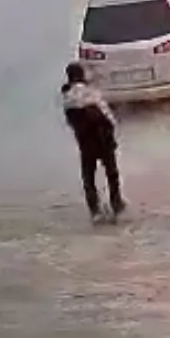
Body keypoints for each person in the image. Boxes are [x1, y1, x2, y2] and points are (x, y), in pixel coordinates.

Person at [61, 62, 125, 224]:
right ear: (82, 75)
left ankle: (94, 210)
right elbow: (108, 117)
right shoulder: (92, 93)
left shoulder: (67, 99)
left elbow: (71, 122)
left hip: (86, 142)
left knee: (88, 177)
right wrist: (112, 136)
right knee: (112, 173)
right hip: (103, 139)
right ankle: (116, 204)